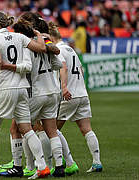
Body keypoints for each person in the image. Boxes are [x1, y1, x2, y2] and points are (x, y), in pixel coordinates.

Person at [0, 11, 49, 179]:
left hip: (5, 87)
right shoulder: (19, 37)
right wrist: (38, 34)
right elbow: (42, 48)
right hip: (22, 87)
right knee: (27, 129)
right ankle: (42, 167)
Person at [0, 14, 67, 178]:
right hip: (52, 91)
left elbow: (27, 67)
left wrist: (7, 66)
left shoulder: (27, 46)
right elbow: (58, 64)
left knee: (17, 128)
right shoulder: (46, 45)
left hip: (35, 92)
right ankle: (59, 168)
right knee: (51, 131)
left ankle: (22, 166)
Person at [49, 22, 103, 173]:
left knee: (50, 129)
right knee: (86, 129)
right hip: (82, 94)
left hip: (69, 95)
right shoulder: (71, 49)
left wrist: (64, 87)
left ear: (51, 37)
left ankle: (61, 164)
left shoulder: (58, 49)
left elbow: (63, 67)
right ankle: (97, 162)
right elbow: (81, 70)